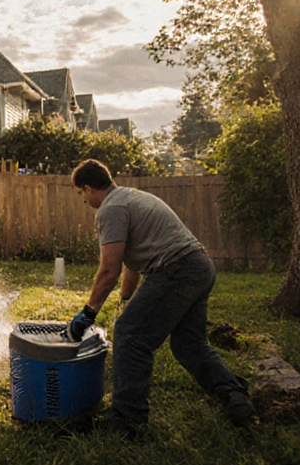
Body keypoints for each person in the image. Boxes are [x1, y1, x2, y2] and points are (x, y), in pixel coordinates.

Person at [67, 159, 255, 433]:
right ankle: (235, 397)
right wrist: (126, 298)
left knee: (131, 335)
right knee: (189, 346)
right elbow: (131, 263)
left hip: (176, 270)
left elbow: (109, 269)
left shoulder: (110, 209)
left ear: (88, 188)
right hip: (199, 266)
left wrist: (88, 313)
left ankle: (127, 420)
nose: (83, 201)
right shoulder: (131, 197)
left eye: (80, 194)